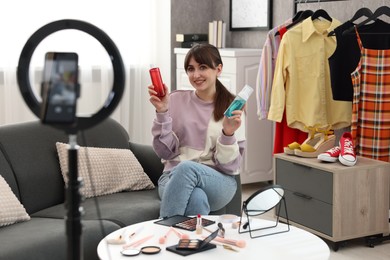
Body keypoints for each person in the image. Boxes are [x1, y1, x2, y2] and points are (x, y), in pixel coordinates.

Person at [148, 43, 247, 218]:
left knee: (187, 168)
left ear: (218, 69)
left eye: (202, 67)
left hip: (219, 181)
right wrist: (162, 112)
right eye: (190, 69)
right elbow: (164, 152)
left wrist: (228, 134)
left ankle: (162, 231)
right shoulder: (175, 100)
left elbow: (230, 166)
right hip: (173, 177)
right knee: (196, 198)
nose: (196, 75)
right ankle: (194, 244)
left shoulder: (232, 108)